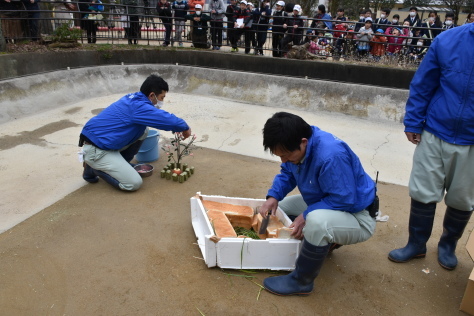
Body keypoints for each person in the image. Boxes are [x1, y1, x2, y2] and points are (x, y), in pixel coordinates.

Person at [259, 112, 377, 296]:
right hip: (326, 202)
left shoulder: (331, 155)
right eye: (279, 155)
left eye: (287, 155)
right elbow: (288, 173)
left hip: (357, 215)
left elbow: (344, 199)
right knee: (282, 209)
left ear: (303, 142)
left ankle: (301, 281)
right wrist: (273, 196)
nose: (283, 160)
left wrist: (305, 216)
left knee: (315, 220)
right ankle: (325, 242)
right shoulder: (296, 144)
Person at [388, 23, 474, 271]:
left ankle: (448, 245)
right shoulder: (448, 40)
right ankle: (416, 244)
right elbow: (424, 83)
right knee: (423, 190)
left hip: (472, 140)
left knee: (463, 198)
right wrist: (413, 121)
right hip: (435, 130)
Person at [79, 75, 191, 191]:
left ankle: (118, 164)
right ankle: (94, 169)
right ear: (152, 95)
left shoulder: (133, 98)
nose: (162, 101)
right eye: (162, 98)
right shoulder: (139, 107)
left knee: (143, 130)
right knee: (133, 183)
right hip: (97, 150)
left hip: (101, 141)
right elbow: (166, 119)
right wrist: (184, 127)